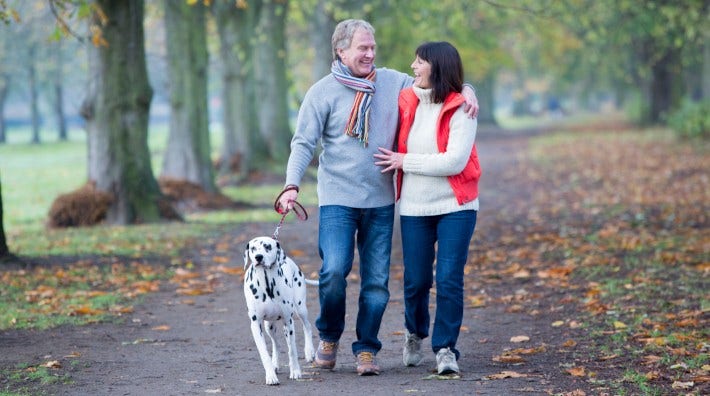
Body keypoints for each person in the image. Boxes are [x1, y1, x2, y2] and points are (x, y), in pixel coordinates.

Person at [276, 20, 478, 376]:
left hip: (381, 201)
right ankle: (329, 336)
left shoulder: (392, 81)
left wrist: (470, 90)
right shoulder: (321, 92)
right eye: (362, 49)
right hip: (338, 199)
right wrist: (292, 185)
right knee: (334, 272)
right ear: (341, 51)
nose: (370, 54)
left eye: (372, 48)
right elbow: (304, 143)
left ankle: (367, 347)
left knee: (375, 285)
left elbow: (441, 83)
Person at [373, 41, 480, 375]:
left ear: (437, 66)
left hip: (456, 206)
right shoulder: (407, 99)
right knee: (417, 281)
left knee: (449, 279)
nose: (413, 66)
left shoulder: (463, 108)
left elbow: (455, 161)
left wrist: (405, 161)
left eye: (419, 62)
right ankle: (415, 332)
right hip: (415, 207)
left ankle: (446, 348)